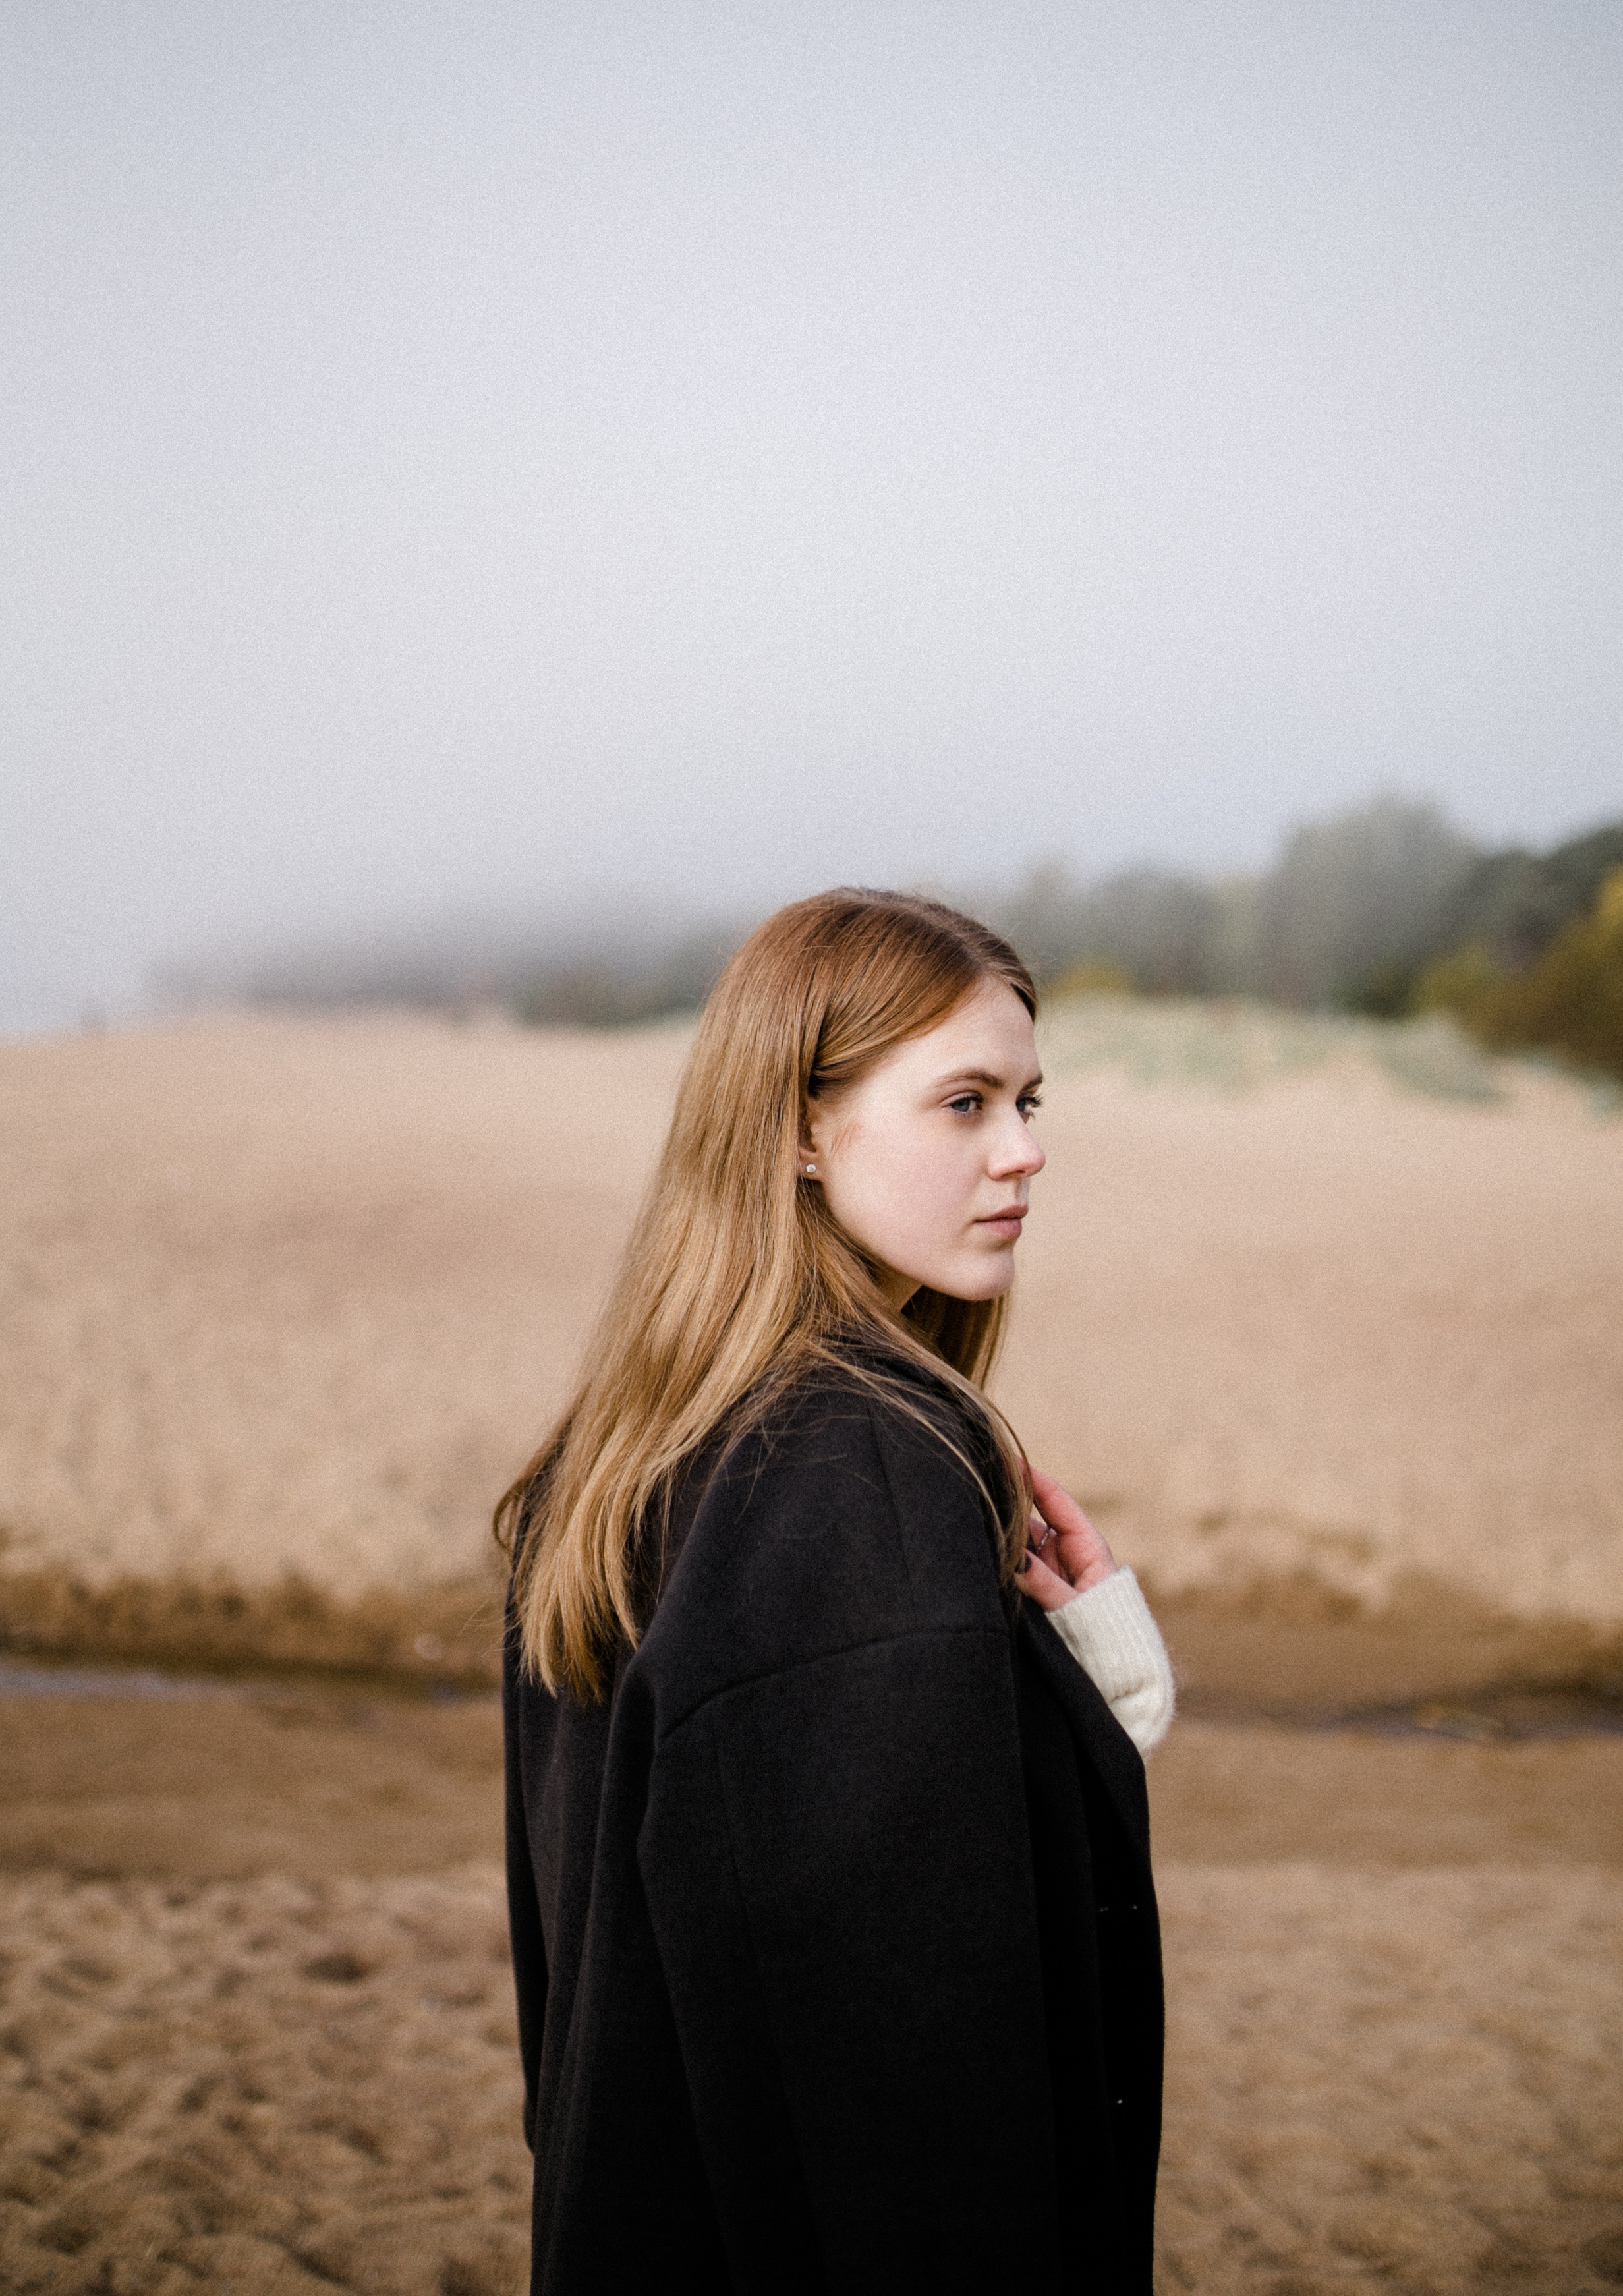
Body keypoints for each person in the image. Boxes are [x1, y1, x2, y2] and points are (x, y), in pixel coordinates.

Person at [496, 888, 1174, 2293]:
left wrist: (1095, 1681)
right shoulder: (871, 1469)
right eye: (963, 1105)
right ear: (799, 1129)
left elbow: (613, 1933)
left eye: (1028, 1101)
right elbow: (913, 2036)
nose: (1025, 1153)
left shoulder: (620, 1452)